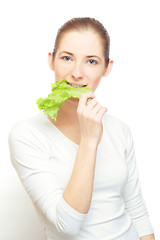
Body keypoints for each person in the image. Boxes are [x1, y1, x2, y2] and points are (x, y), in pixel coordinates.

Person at [8, 17, 155, 240]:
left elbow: (137, 211)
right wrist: (89, 141)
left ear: (107, 68)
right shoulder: (27, 134)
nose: (77, 73)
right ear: (52, 61)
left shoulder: (120, 129)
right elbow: (66, 225)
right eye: (67, 58)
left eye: (92, 61)